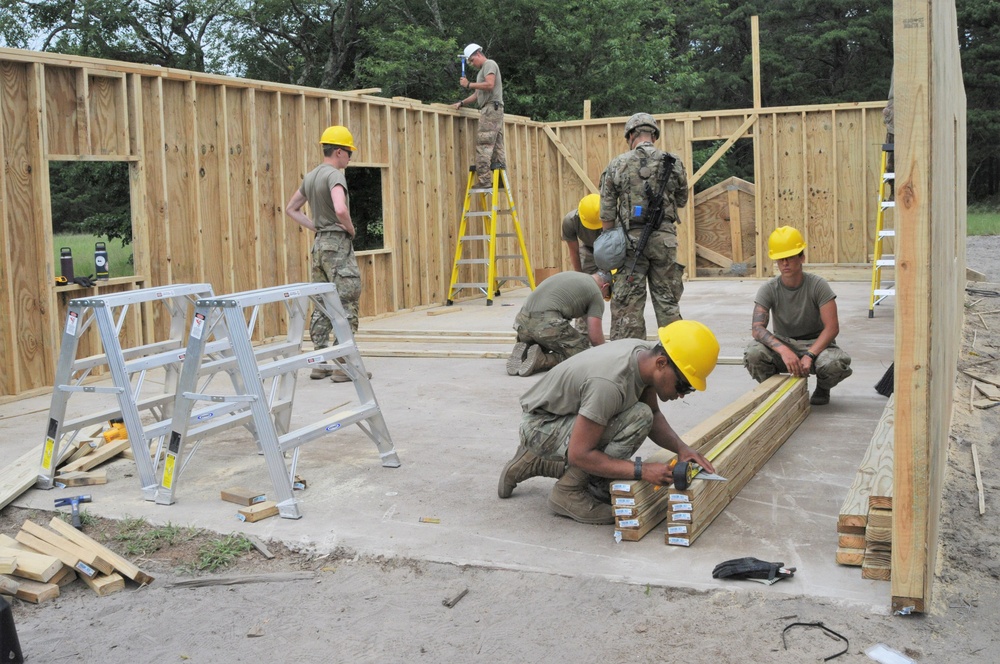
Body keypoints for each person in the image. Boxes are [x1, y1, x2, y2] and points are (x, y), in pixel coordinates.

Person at [498, 320, 720, 524]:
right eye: (683, 385)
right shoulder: (609, 383)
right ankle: (568, 492)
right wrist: (642, 470)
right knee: (637, 418)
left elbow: (653, 412)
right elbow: (580, 454)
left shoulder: (644, 356)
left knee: (643, 414)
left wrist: (681, 448)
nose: (682, 394)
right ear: (661, 363)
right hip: (540, 425)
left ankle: (533, 460)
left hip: (559, 415)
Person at [284, 125, 366, 383]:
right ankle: (345, 366)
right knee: (347, 302)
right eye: (349, 154)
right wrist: (350, 229)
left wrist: (317, 228)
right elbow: (341, 209)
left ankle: (320, 363)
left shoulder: (310, 177)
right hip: (338, 246)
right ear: (339, 152)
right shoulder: (334, 176)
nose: (350, 159)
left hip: (319, 246)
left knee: (321, 303)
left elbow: (291, 208)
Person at [600, 112, 688, 341]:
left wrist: (609, 244)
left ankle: (628, 358)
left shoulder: (618, 163)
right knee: (667, 302)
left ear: (631, 135)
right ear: (654, 136)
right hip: (664, 242)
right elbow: (681, 200)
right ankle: (676, 357)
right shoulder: (673, 161)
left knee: (627, 308)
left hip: (630, 244)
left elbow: (607, 211)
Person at [743, 226, 853, 405]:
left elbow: (832, 328)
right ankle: (774, 388)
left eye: (790, 257)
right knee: (754, 354)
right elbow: (757, 329)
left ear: (802, 257)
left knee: (834, 363)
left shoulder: (818, 286)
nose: (785, 263)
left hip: (816, 344)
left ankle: (823, 389)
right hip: (783, 342)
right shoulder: (769, 289)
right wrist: (784, 350)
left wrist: (810, 354)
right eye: (780, 259)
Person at [506, 270, 612, 377]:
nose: (603, 298)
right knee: (582, 352)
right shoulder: (596, 293)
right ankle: (542, 360)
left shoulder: (574, 276)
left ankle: (525, 348)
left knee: (549, 338)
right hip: (545, 323)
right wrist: (607, 353)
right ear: (605, 286)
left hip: (522, 323)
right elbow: (595, 339)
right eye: (606, 296)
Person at [454, 43, 505, 189]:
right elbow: (477, 94)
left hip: (490, 109)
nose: (471, 64)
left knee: (484, 144)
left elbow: (489, 84)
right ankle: (501, 180)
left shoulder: (489, 64)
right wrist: (462, 103)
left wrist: (469, 84)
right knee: (497, 147)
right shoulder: (482, 71)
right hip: (494, 109)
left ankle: (484, 181)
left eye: (471, 60)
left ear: (477, 54)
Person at [562, 194, 603, 275]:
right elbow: (574, 252)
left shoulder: (615, 219)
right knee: (589, 281)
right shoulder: (570, 221)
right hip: (589, 249)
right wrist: (580, 276)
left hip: (611, 250)